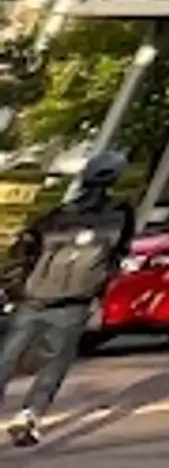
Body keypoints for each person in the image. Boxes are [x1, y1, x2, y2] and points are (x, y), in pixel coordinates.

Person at [2, 158, 135, 445]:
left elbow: (23, 251)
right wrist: (100, 287)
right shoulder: (121, 214)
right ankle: (30, 414)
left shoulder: (58, 214)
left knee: (7, 358)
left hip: (34, 298)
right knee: (56, 360)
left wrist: (17, 290)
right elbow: (119, 255)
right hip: (75, 301)